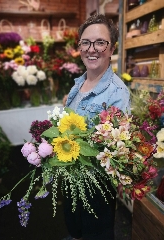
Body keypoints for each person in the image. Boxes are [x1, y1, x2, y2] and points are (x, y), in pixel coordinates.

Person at [62, 14, 131, 240]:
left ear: (111, 49)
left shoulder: (117, 93)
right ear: (80, 47)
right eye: (86, 42)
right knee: (75, 229)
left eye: (100, 42)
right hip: (70, 178)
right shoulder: (78, 84)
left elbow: (115, 149)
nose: (92, 49)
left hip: (95, 186)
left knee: (96, 234)